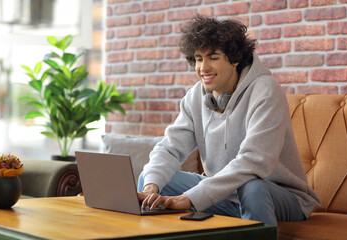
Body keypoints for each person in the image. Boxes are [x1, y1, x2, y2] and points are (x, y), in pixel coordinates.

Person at [137, 15, 320, 226]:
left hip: (280, 195)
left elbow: (254, 160)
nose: (203, 68)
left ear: (235, 58)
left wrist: (190, 198)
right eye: (198, 58)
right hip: (225, 194)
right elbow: (170, 148)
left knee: (252, 187)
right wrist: (151, 186)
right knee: (150, 179)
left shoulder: (266, 91)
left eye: (213, 57)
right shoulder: (195, 96)